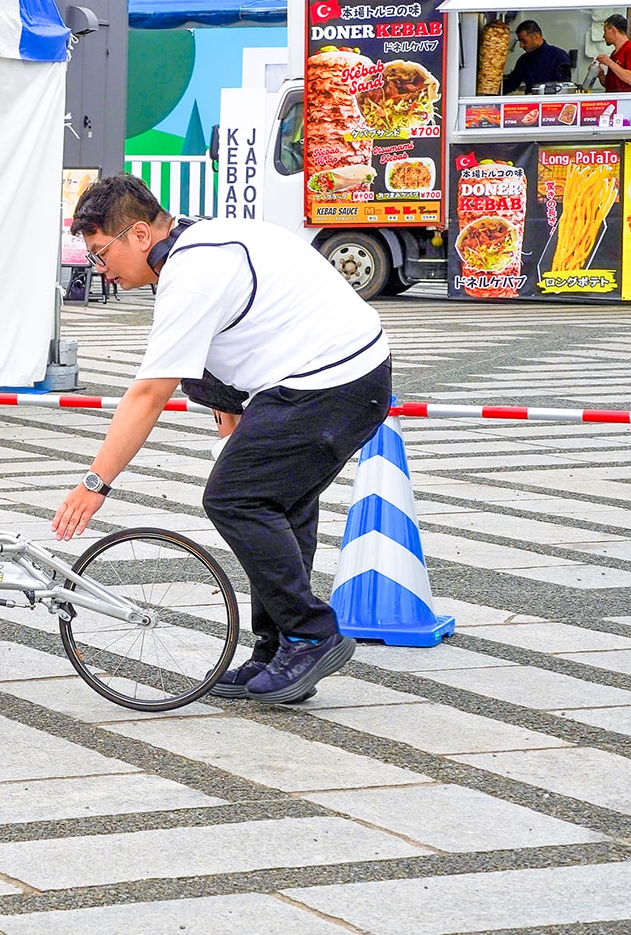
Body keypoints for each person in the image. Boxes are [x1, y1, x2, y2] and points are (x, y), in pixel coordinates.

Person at [50, 174, 390, 704]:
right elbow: (216, 359)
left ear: (139, 234)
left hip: (330, 383)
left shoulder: (193, 270)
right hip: (334, 376)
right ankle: (278, 650)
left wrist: (95, 484)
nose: (101, 269)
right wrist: (232, 425)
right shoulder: (196, 243)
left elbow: (148, 394)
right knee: (279, 505)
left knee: (236, 498)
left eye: (100, 253)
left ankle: (310, 635)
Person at [502, 21, 572, 93]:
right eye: (519, 41)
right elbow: (511, 83)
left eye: (524, 41)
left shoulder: (559, 56)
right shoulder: (523, 61)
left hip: (552, 100)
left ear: (536, 37)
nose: (521, 45)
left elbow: (563, 87)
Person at [595, 15, 631, 92]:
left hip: (626, 99)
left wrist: (610, 63)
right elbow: (611, 85)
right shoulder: (614, 54)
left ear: (613, 30)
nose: (603, 36)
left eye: (605, 31)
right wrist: (601, 76)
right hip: (613, 98)